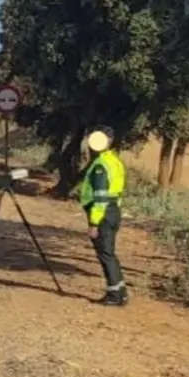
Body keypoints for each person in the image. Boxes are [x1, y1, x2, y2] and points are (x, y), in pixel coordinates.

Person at [76, 127, 128, 306]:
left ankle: (114, 294)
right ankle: (120, 291)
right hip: (114, 211)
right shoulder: (115, 161)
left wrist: (94, 222)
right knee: (110, 253)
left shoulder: (100, 166)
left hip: (103, 212)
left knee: (105, 254)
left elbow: (100, 196)